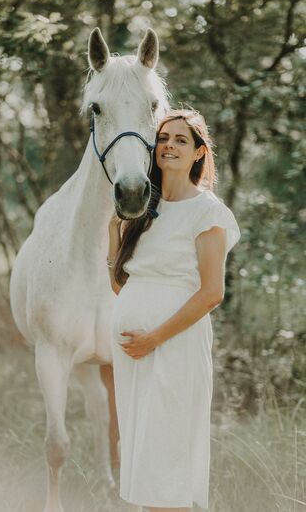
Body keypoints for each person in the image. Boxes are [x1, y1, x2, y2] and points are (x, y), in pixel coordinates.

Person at [107, 108, 241, 512]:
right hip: (134, 355)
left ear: (200, 152)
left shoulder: (207, 212)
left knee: (167, 466)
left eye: (181, 140)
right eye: (164, 138)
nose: (169, 146)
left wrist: (153, 338)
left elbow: (211, 293)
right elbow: (121, 285)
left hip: (172, 347)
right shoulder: (143, 209)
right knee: (146, 464)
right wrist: (114, 234)